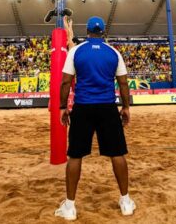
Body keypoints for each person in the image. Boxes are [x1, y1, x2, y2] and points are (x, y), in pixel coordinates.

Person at [55, 16, 135, 220]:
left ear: (88, 30)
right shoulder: (113, 52)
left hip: (83, 107)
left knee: (75, 155)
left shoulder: (76, 51)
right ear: (103, 31)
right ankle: (125, 201)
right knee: (117, 154)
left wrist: (63, 107)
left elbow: (65, 83)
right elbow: (123, 84)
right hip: (107, 107)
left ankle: (70, 207)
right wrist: (126, 107)